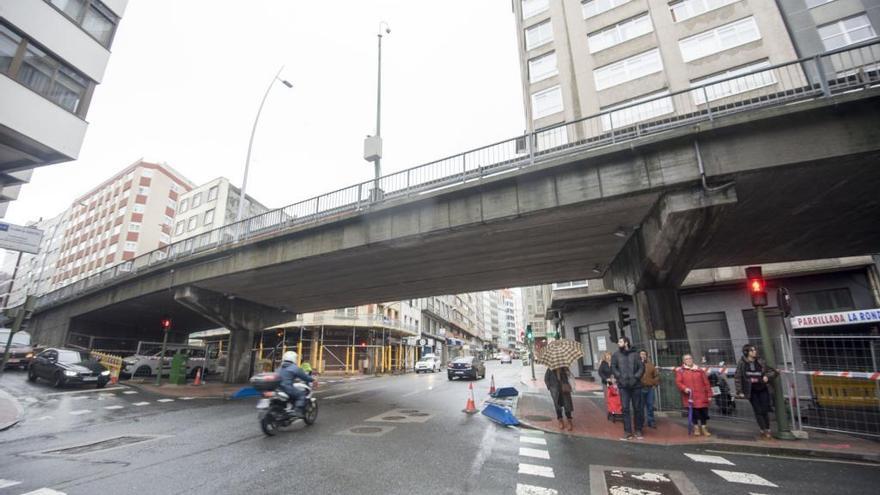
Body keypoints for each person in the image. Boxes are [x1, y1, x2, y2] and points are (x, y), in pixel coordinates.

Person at [734, 344, 777, 440]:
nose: (754, 352)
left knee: (765, 409)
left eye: (755, 350)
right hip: (751, 390)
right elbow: (738, 377)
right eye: (752, 350)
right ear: (747, 352)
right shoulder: (742, 363)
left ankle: (768, 429)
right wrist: (739, 391)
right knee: (758, 410)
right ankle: (763, 430)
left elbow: (773, 371)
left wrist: (767, 376)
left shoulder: (760, 361)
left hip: (762, 388)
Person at [611, 336, 644, 440]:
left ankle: (638, 429)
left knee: (637, 408)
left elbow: (641, 367)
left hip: (636, 385)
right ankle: (627, 431)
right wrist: (619, 377)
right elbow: (613, 367)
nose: (618, 343)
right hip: (623, 386)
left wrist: (636, 377)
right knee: (625, 408)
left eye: (620, 341)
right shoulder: (616, 355)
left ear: (626, 343)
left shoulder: (635, 354)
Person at [675, 354, 712, 437]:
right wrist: (685, 388)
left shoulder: (699, 370)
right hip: (690, 396)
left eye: (690, 358)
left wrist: (709, 394)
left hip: (702, 395)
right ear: (684, 361)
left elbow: (706, 383)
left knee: (704, 413)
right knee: (693, 413)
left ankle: (704, 428)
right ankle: (696, 428)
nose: (689, 360)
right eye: (686, 359)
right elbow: (678, 382)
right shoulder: (680, 371)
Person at [276, 351, 315, 417]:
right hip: (287, 388)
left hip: (277, 388)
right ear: (294, 359)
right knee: (301, 395)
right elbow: (305, 377)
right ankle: (297, 411)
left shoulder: (279, 368)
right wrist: (313, 380)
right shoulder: (294, 368)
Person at [544, 366, 574, 431]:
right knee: (557, 405)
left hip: (564, 389)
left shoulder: (564, 368)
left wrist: (567, 372)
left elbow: (569, 377)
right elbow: (546, 379)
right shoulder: (550, 369)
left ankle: (569, 420)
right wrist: (550, 387)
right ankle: (560, 420)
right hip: (555, 390)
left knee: (567, 404)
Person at [639, 350, 660, 428]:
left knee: (650, 406)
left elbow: (656, 375)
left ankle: (651, 421)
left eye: (644, 354)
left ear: (646, 355)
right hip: (640, 389)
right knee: (640, 407)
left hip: (649, 388)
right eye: (641, 354)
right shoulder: (636, 364)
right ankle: (640, 422)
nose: (643, 355)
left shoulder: (651, 365)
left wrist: (654, 383)